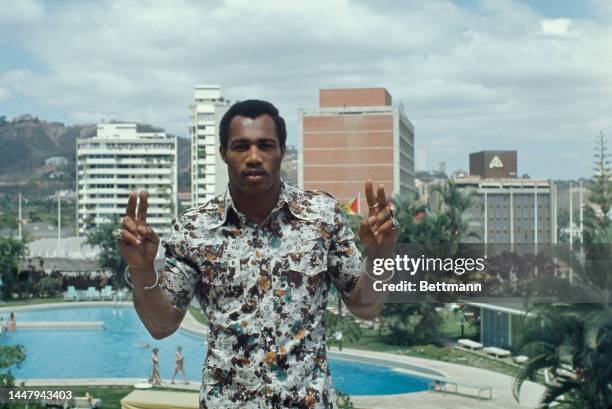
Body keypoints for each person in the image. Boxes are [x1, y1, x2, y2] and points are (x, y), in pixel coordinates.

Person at [117, 100, 398, 408]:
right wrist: (143, 270)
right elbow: (162, 325)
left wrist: (381, 252)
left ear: (282, 151)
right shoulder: (194, 229)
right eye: (241, 146)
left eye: (265, 145)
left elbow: (366, 308)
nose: (253, 157)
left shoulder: (322, 217)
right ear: (223, 152)